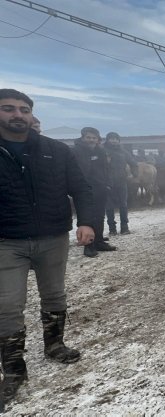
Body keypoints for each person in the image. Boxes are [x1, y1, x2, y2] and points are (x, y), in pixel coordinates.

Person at [0, 89, 93, 408]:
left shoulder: (56, 151)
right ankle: (13, 370)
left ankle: (54, 345)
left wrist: (88, 222)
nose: (17, 115)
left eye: (24, 110)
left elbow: (80, 187)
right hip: (6, 241)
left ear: (31, 115)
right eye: (8, 109)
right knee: (8, 306)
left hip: (52, 236)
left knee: (54, 295)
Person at [72, 127, 116, 256]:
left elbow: (107, 169)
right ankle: (89, 246)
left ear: (97, 139)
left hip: (101, 188)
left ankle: (99, 241)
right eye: (88, 137)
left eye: (94, 138)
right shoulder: (75, 152)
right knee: (87, 218)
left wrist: (108, 184)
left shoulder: (101, 152)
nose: (91, 140)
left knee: (100, 216)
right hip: (84, 189)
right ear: (83, 137)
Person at [103, 132, 138, 236]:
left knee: (123, 205)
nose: (113, 140)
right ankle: (112, 229)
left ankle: (124, 227)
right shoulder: (102, 151)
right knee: (109, 206)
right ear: (107, 140)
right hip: (107, 183)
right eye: (111, 138)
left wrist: (134, 174)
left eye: (116, 139)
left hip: (121, 181)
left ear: (118, 140)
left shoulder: (123, 152)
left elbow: (134, 163)